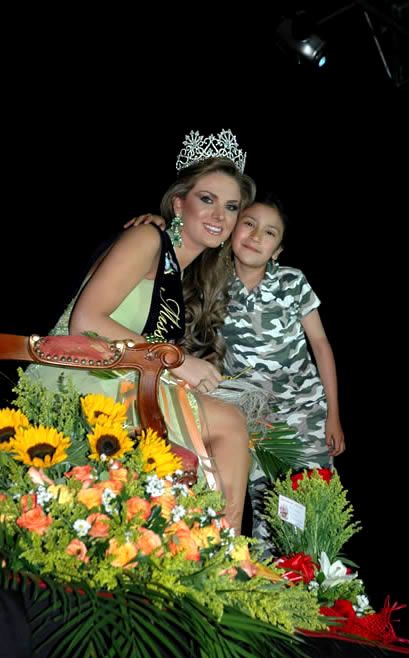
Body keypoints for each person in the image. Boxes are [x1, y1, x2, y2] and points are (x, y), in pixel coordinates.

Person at [26, 129, 256, 534]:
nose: (220, 215)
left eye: (231, 206)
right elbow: (86, 321)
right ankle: (228, 551)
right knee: (231, 424)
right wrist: (178, 363)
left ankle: (208, 545)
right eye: (207, 199)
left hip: (120, 376)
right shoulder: (147, 238)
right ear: (179, 203)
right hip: (76, 372)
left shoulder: (180, 273)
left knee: (228, 429)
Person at [126, 193, 345, 540]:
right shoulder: (210, 280)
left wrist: (333, 414)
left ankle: (316, 573)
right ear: (231, 230)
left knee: (311, 512)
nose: (256, 236)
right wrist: (160, 226)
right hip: (250, 420)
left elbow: (321, 345)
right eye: (249, 224)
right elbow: (176, 251)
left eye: (269, 232)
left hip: (304, 415)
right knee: (266, 515)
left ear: (277, 250)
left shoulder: (292, 282)